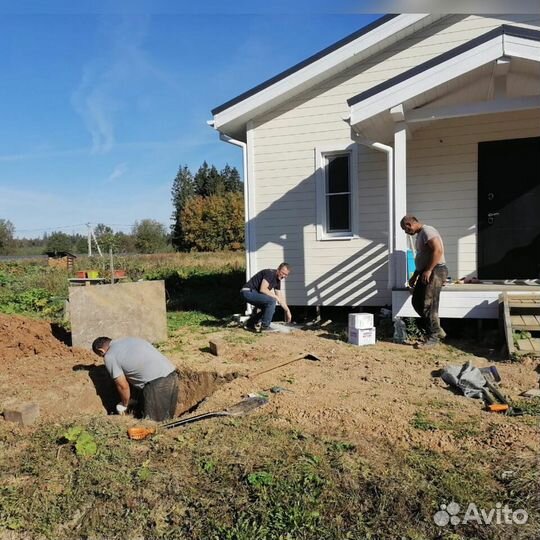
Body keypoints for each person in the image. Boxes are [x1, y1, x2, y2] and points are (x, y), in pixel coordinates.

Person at [92, 336, 178, 421]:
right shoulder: (130, 339)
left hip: (156, 383)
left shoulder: (110, 356)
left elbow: (122, 386)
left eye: (101, 355)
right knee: (167, 419)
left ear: (101, 351)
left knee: (153, 423)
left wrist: (125, 405)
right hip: (172, 374)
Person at [400, 215, 448, 347]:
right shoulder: (420, 235)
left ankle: (433, 337)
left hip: (436, 270)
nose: (406, 232)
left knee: (429, 304)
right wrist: (415, 275)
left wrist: (429, 270)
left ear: (409, 224)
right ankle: (436, 330)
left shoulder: (428, 231)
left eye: (405, 229)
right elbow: (423, 258)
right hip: (426, 271)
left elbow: (438, 251)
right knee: (417, 302)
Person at [240, 263, 292, 331]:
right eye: (283, 273)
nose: (284, 276)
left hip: (252, 293)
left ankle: (250, 324)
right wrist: (275, 297)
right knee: (271, 301)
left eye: (286, 275)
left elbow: (280, 298)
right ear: (278, 269)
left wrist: (287, 311)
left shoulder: (277, 280)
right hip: (247, 292)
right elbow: (263, 289)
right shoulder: (270, 273)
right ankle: (265, 327)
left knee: (269, 308)